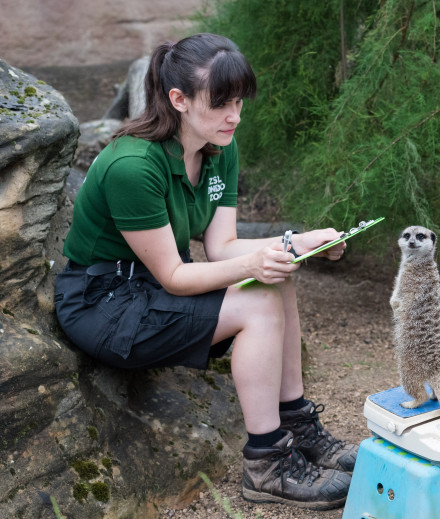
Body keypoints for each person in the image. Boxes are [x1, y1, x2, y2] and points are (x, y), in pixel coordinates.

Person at [54, 33, 357, 510]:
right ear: (178, 100)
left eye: (238, 101)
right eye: (220, 103)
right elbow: (176, 275)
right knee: (258, 298)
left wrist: (296, 243)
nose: (234, 115)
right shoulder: (133, 165)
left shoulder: (219, 146)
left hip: (152, 286)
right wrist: (256, 263)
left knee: (278, 276)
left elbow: (222, 246)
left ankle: (298, 426)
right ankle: (266, 464)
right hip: (104, 304)